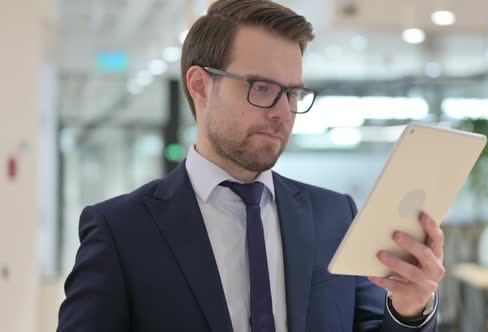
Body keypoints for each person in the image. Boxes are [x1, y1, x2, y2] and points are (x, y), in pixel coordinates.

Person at [57, 1, 445, 331]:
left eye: (293, 93)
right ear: (200, 85)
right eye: (261, 88)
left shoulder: (333, 216)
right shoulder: (122, 230)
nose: (282, 112)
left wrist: (409, 309)